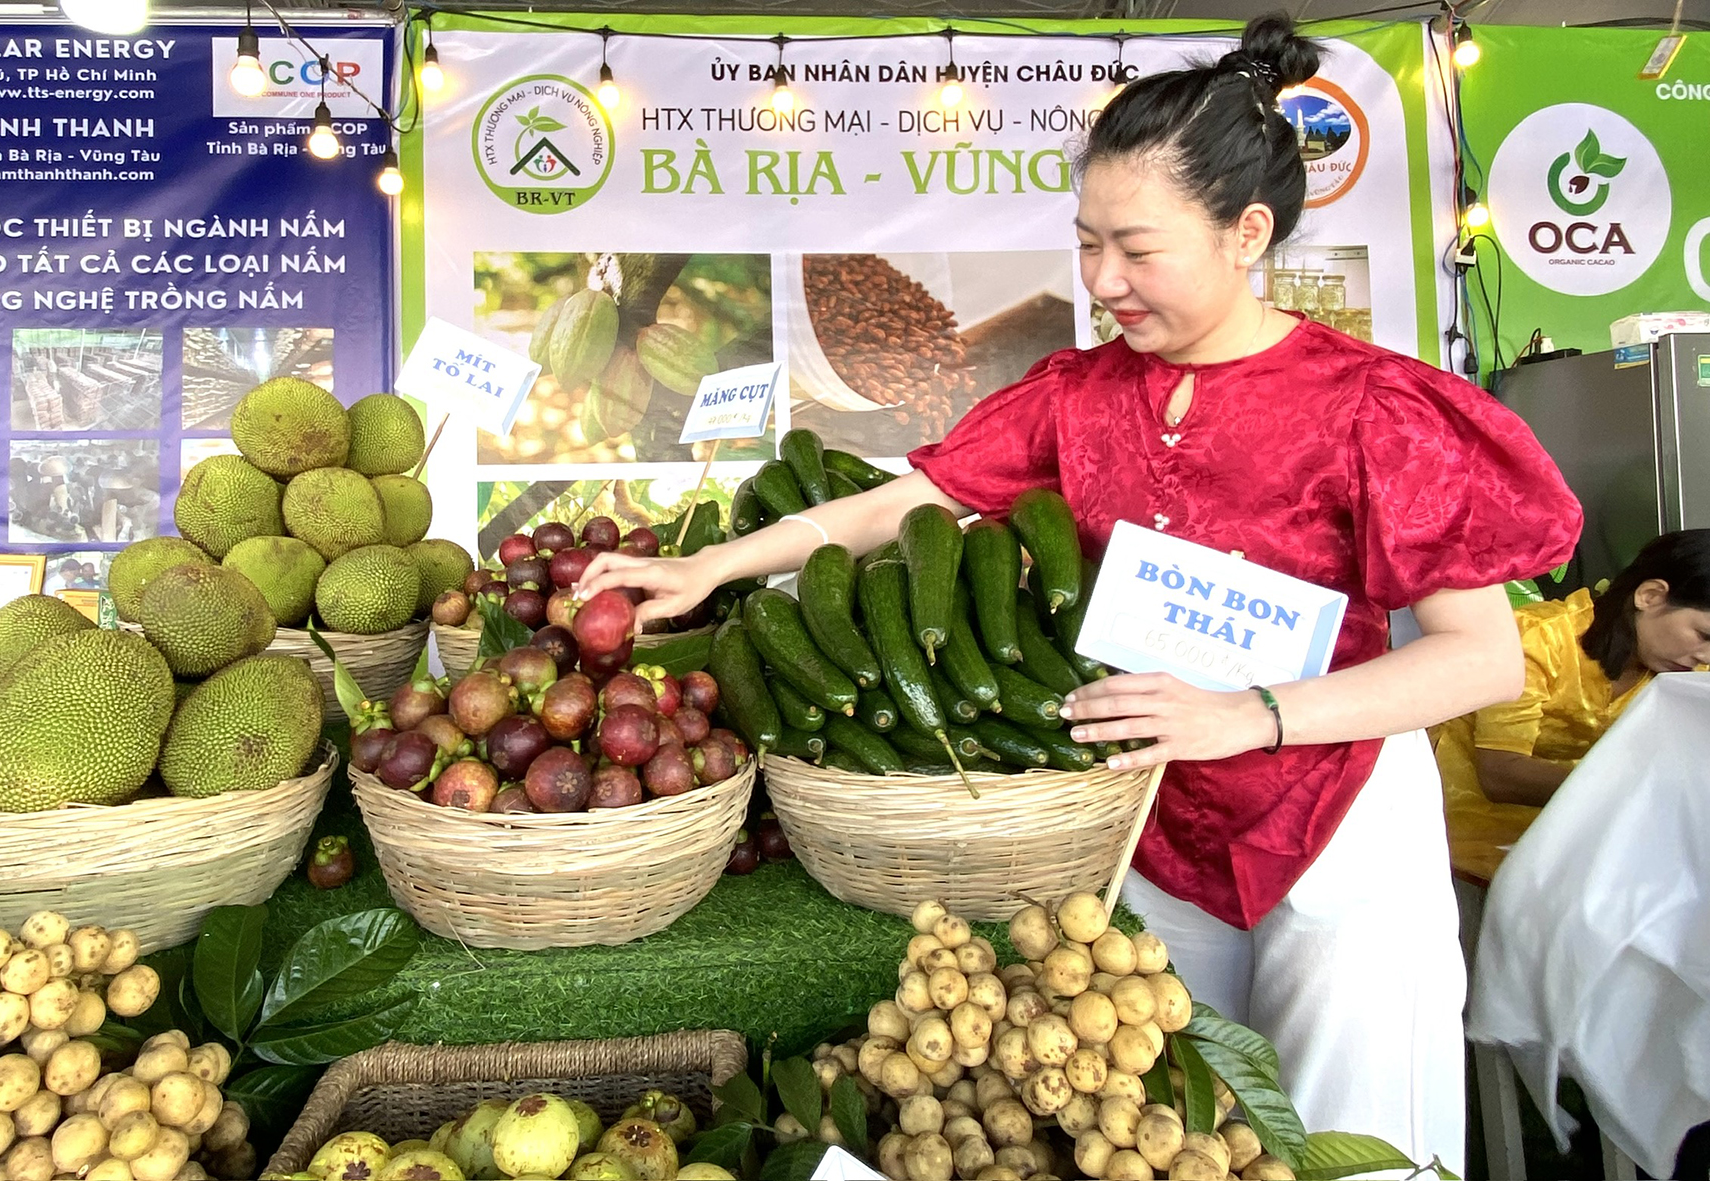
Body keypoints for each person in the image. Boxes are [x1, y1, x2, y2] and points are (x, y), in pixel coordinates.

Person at [576, 14, 1580, 1170]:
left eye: (1138, 249)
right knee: (1175, 1123)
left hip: (1337, 809)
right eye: (1088, 242)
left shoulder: (1375, 405)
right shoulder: (1080, 391)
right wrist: (716, 563)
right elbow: (921, 495)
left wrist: (1250, 714)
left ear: (1247, 231)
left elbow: (1479, 656)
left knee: (1356, 1135)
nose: (1102, 280)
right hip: (1146, 807)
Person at [1434, 530, 1710, 864]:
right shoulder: (1538, 640)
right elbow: (1499, 774)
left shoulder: (1686, 675)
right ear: (1650, 596)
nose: (1705, 657)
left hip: (1577, 842)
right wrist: (1637, 791)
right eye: (1702, 635)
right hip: (1463, 841)